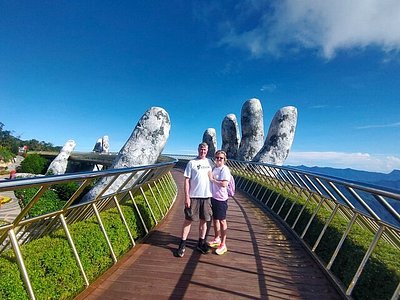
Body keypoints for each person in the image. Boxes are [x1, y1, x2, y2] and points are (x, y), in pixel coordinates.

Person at [175, 142, 214, 257]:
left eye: (205, 150)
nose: (203, 151)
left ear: (207, 151)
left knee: (204, 221)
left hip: (206, 197)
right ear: (198, 150)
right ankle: (182, 244)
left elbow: (215, 175)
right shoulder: (191, 163)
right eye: (201, 149)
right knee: (188, 220)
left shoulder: (210, 162)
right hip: (194, 197)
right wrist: (186, 196)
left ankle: (200, 243)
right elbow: (187, 180)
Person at [208, 150, 231, 255]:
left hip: (221, 199)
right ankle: (217, 238)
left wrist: (213, 180)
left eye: (221, 158)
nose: (218, 159)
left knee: (222, 221)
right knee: (215, 219)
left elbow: (224, 184)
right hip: (214, 197)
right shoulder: (215, 168)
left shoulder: (225, 169)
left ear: (224, 159)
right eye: (217, 157)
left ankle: (223, 244)